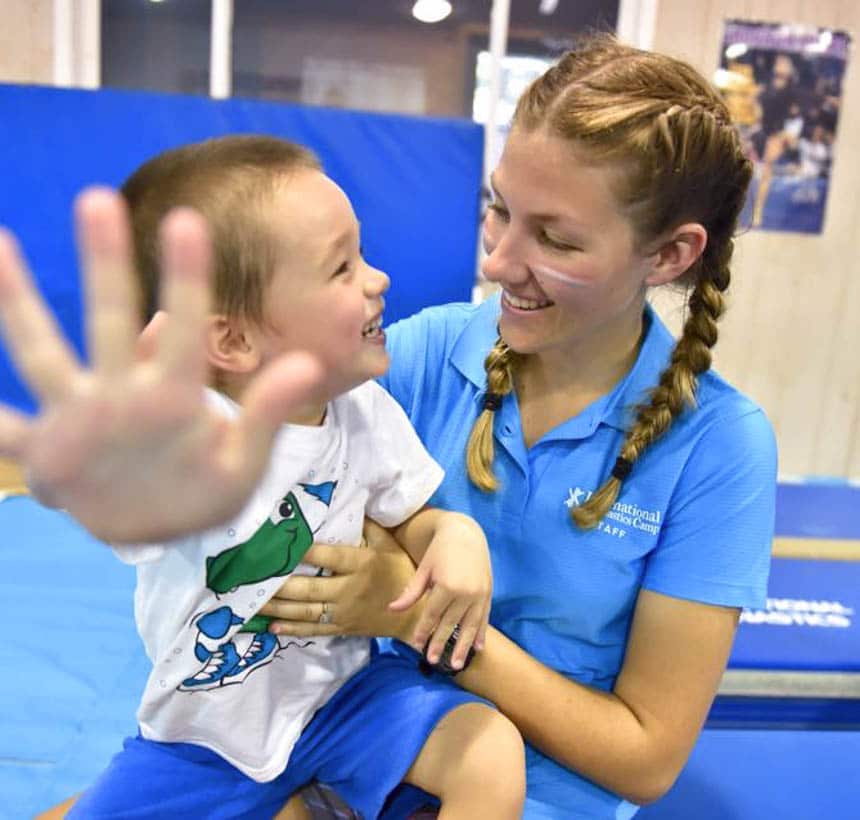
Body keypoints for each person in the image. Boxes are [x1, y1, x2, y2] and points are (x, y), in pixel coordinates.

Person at [255, 35, 777, 818]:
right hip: (352, 756)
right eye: (499, 209)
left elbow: (644, 757)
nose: (498, 261)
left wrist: (424, 613)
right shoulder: (430, 350)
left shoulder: (718, 446)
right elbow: (261, 465)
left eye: (556, 238)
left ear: (669, 255)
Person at [0, 135, 525, 819]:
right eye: (341, 268)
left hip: (344, 702)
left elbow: (412, 512)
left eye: (362, 253)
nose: (377, 278)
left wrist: (454, 535)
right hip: (203, 738)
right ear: (237, 340)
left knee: (488, 750)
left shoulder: (362, 407)